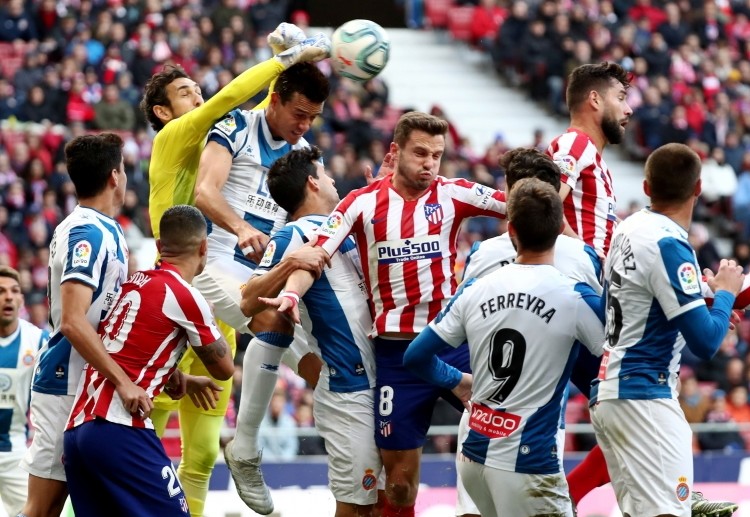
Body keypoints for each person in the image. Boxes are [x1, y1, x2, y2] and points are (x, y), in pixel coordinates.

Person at [141, 23, 329, 516]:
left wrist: (284, 61)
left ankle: (253, 444)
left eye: (198, 88)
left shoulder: (241, 132)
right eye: (186, 93)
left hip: (220, 294)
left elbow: (274, 108)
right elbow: (232, 102)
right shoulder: (178, 138)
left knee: (200, 454)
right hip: (168, 299)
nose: (200, 96)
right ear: (164, 112)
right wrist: (284, 58)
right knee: (145, 438)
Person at [284, 111, 507, 516]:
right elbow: (314, 254)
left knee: (504, 440)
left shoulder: (453, 193)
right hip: (396, 357)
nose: (429, 163)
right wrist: (291, 294)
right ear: (396, 150)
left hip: (452, 345)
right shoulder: (361, 203)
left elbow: (520, 208)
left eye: (436, 155)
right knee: (400, 483)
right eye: (420, 152)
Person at [403, 178, 605, 517]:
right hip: (528, 461)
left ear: (510, 228)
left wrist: (456, 379)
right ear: (559, 228)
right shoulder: (575, 298)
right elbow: (615, 356)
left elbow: (415, 357)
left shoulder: (476, 288)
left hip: (476, 457)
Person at [195, 60, 332, 515]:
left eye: (313, 116)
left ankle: (345, 452)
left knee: (322, 372)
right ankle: (246, 448)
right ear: (274, 98)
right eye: (298, 113)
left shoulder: (304, 152)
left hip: (267, 273)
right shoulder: (236, 125)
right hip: (213, 263)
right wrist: (238, 228)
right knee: (271, 315)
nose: (304, 125)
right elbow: (203, 192)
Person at [590, 143, 744, 517]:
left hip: (611, 391)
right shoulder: (670, 243)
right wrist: (723, 295)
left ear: (646, 187)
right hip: (645, 393)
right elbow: (707, 342)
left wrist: (705, 299)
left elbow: (644, 301)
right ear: (698, 189)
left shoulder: (628, 228)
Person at [457, 147, 603, 517]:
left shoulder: (482, 253)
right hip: (536, 426)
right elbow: (604, 336)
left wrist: (456, 378)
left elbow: (451, 330)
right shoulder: (582, 256)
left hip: (482, 418)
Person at [63, 205, 235, 517]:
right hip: (119, 428)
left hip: (78, 431)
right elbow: (224, 369)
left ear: (159, 247)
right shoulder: (186, 296)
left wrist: (171, 375)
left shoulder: (136, 281)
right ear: (204, 246)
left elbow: (127, 345)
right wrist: (209, 317)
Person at [242, 146, 381, 517]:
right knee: (356, 507)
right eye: (327, 173)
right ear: (312, 182)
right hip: (348, 390)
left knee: (384, 499)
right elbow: (247, 302)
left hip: (383, 379)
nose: (334, 180)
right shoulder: (293, 235)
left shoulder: (345, 225)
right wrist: (288, 264)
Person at [19, 133, 151, 517]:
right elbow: (75, 322)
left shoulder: (105, 229)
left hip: (92, 382)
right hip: (66, 382)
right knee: (43, 509)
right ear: (114, 176)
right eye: (124, 169)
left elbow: (107, 317)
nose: (126, 177)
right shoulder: (87, 234)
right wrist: (123, 381)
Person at [547, 61, 632, 258]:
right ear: (595, 99)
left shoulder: (591, 156)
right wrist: (587, 255)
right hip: (576, 278)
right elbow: (547, 205)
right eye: (620, 98)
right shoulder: (574, 143)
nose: (628, 109)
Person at [0, 266, 48, 517]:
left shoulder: (39, 341)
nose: (8, 296)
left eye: (14, 291)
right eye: (1, 291)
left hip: (17, 454)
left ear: (21, 299)